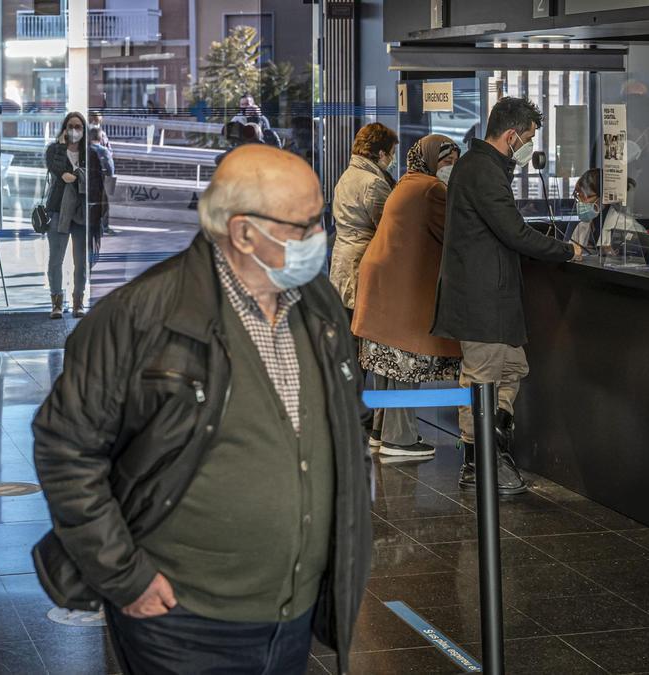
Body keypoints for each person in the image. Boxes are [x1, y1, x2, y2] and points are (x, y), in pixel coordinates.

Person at [33, 144, 372, 675]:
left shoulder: (318, 303)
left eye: (319, 220)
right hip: (182, 621)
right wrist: (127, 577)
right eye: (303, 226)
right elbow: (66, 451)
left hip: (296, 611)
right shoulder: (139, 317)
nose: (317, 239)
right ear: (242, 233)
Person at [431, 97, 582, 495]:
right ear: (512, 134)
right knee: (482, 378)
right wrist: (566, 249)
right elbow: (512, 231)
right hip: (483, 298)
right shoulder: (483, 169)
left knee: (511, 369)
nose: (530, 144)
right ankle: (478, 463)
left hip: (490, 297)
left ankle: (493, 447)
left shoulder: (481, 166)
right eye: (529, 136)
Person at [353, 134, 461, 459]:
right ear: (430, 160)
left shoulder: (407, 181)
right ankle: (399, 439)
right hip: (400, 288)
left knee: (387, 364)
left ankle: (380, 431)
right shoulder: (432, 189)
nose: (452, 167)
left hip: (383, 284)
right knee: (405, 361)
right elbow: (455, 233)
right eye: (446, 161)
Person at [329, 123, 399, 318]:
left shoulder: (348, 176)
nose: (393, 158)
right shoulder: (373, 182)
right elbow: (386, 228)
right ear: (381, 153)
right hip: (361, 263)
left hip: (342, 261)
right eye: (392, 152)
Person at [44, 112, 105, 319]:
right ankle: (57, 303)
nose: (74, 130)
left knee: (81, 261)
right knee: (55, 260)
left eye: (78, 127)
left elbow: (97, 181)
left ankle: (78, 301)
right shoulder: (54, 150)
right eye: (71, 126)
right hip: (58, 211)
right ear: (64, 128)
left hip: (81, 213)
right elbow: (55, 168)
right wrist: (62, 147)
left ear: (84, 130)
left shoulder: (91, 154)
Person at [570, 169, 646, 249]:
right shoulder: (581, 227)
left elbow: (640, 258)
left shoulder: (628, 227)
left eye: (586, 197)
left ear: (604, 198)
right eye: (579, 196)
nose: (581, 202)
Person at [89, 126, 116, 234]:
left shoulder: (84, 150)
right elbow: (110, 168)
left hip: (87, 183)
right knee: (103, 205)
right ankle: (104, 227)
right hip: (101, 183)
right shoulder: (104, 151)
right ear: (101, 139)